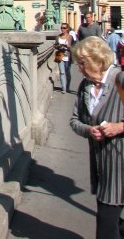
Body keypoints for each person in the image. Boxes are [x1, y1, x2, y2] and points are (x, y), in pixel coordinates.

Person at [70, 37, 124, 239]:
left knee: (106, 227)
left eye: (82, 64)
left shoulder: (120, 80)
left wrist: (119, 127)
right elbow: (75, 120)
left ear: (98, 60)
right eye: (78, 64)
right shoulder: (85, 87)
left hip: (120, 166)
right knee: (111, 222)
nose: (80, 69)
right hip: (102, 168)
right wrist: (88, 130)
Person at [55, 24, 73, 93]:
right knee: (62, 72)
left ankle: (67, 86)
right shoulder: (58, 37)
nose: (63, 29)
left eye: (64, 28)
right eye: (62, 28)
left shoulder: (69, 37)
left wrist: (67, 46)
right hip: (60, 55)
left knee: (67, 72)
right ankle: (64, 88)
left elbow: (71, 46)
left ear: (67, 28)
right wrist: (58, 46)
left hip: (67, 55)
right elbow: (55, 45)